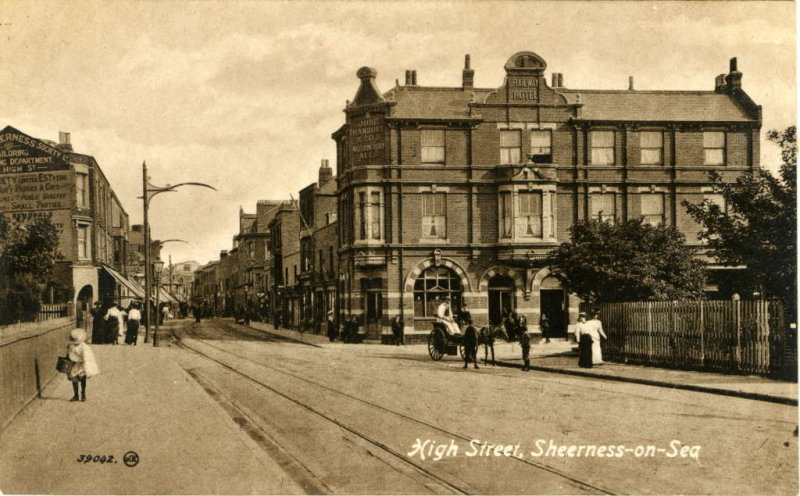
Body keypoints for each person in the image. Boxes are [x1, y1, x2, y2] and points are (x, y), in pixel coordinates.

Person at [65, 328, 99, 401]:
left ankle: (83, 393)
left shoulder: (84, 347)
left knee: (82, 379)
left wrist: (87, 367)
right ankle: (76, 395)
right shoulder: (71, 346)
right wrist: (68, 359)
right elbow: (68, 354)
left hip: (82, 365)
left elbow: (87, 357)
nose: (75, 342)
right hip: (74, 364)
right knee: (74, 380)